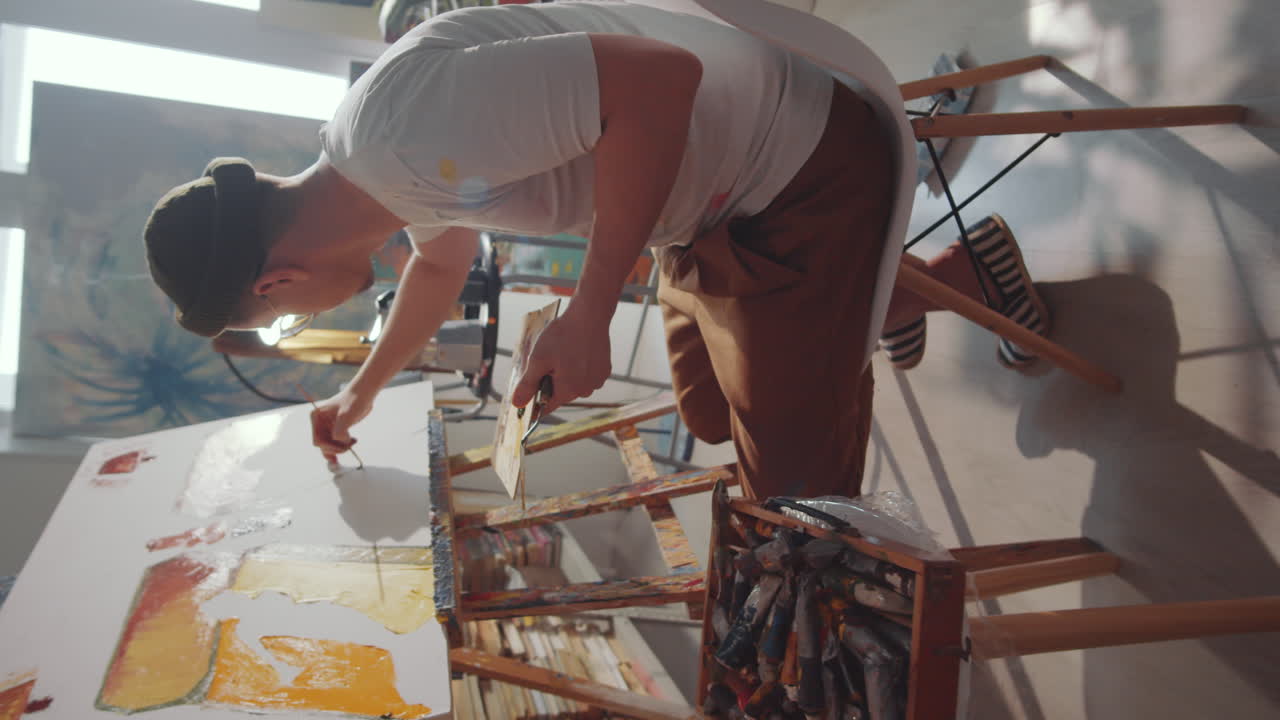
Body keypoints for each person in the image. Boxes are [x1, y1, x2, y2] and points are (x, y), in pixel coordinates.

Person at [143, 0, 1046, 500]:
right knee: (704, 412)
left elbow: (659, 86)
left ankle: (909, 287)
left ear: (279, 281)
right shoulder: (373, 172)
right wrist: (362, 390)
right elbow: (439, 263)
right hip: (712, 205)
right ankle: (923, 287)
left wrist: (589, 310)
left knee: (796, 497)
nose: (303, 317)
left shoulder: (401, 140)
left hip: (798, 164)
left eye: (284, 318)